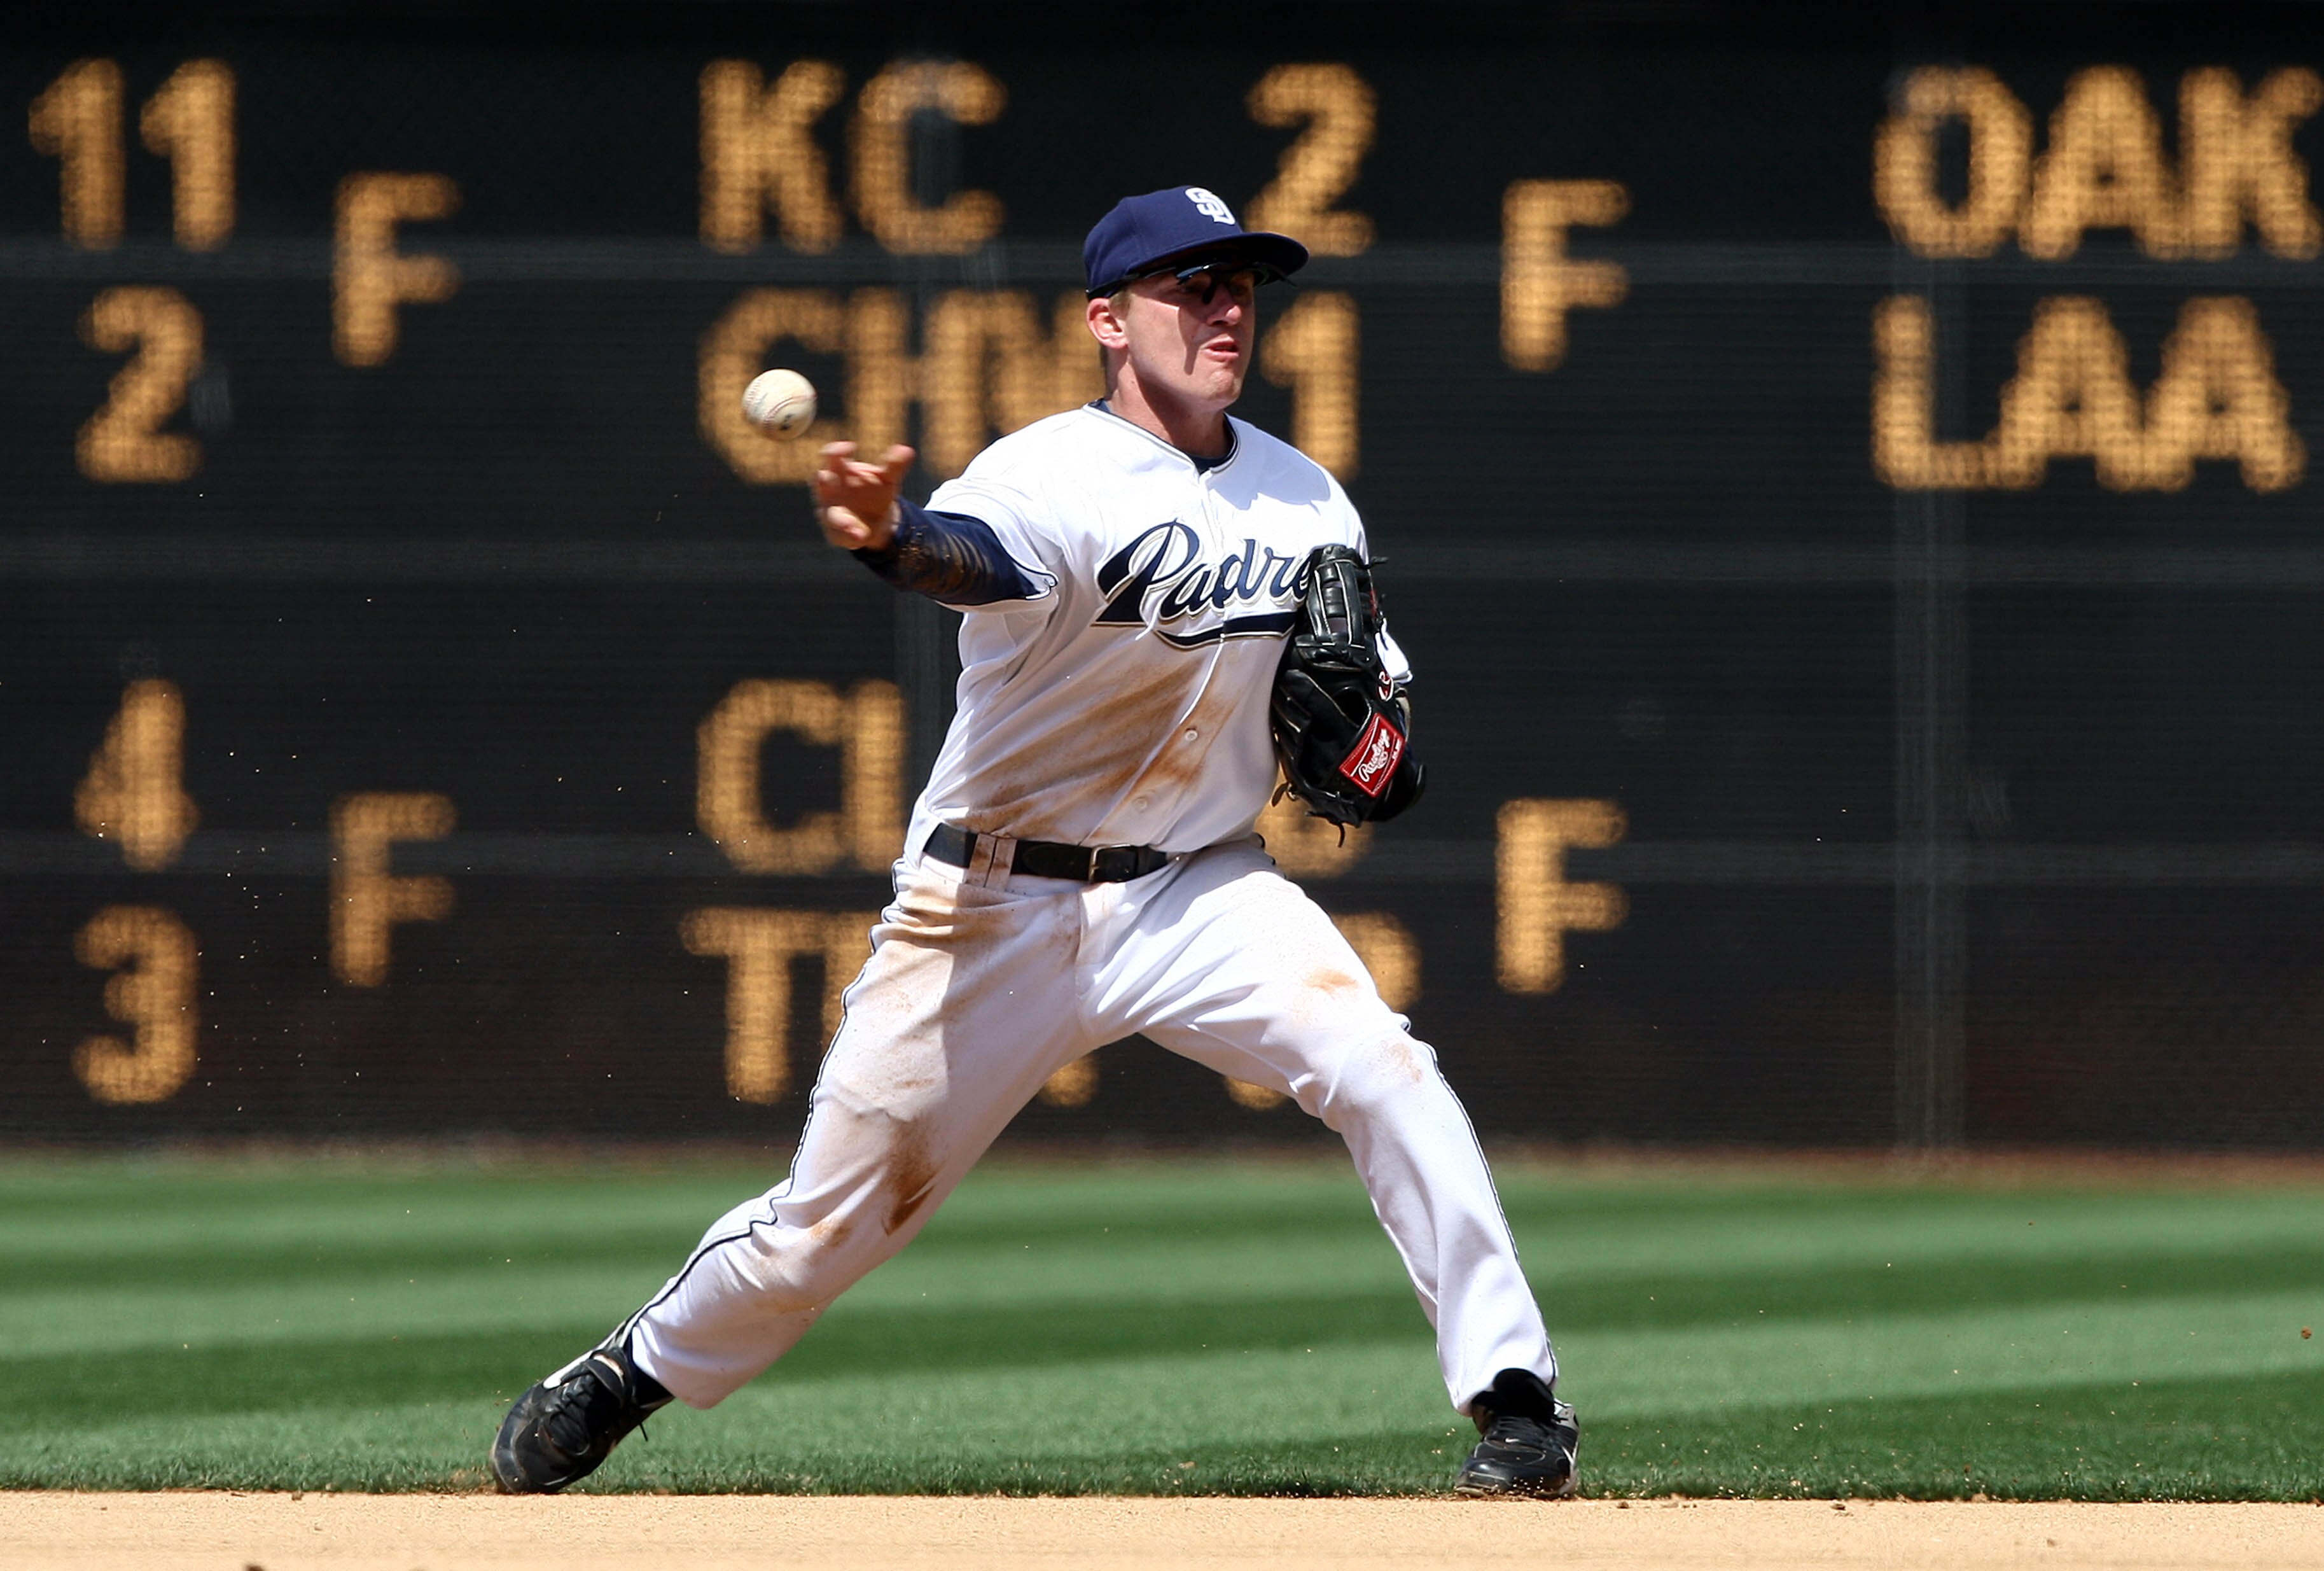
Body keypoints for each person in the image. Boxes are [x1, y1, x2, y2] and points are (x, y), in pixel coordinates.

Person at [491, 185, 1577, 1498]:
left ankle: (1517, 1400)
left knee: (1383, 1067)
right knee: (831, 1226)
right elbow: (972, 559)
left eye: (1239, 283)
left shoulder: (1308, 502)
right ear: (1109, 319)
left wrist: (1376, 754)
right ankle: (630, 1369)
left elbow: (1379, 737)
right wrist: (893, 539)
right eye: (1192, 284)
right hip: (987, 903)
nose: (1225, 305)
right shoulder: (1042, 471)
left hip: (1199, 889)